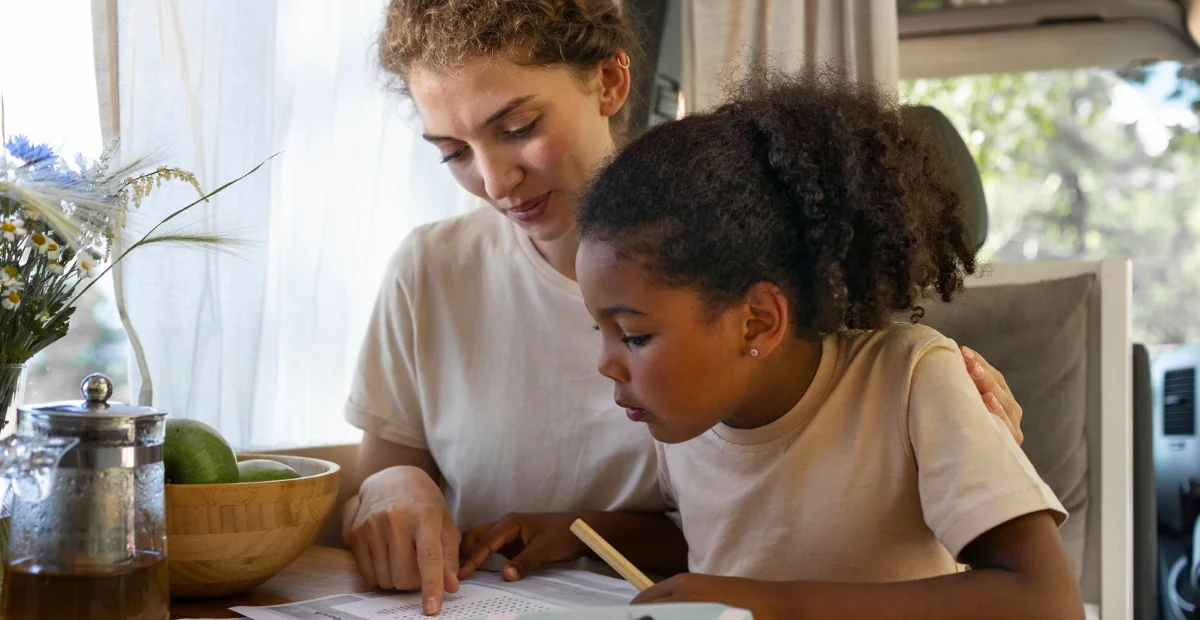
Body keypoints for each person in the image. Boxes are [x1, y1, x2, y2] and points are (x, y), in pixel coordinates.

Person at [344, 1, 1029, 615]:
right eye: (452, 153)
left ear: (611, 82)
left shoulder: (755, 269)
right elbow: (711, 534)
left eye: (519, 126)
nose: (493, 181)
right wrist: (397, 487)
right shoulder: (433, 271)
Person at [456, 67, 1083, 620]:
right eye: (603, 329)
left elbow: (1044, 601)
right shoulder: (689, 417)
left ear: (757, 322)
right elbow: (722, 545)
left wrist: (777, 603)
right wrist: (576, 531)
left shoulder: (914, 379)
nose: (606, 362)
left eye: (637, 335)